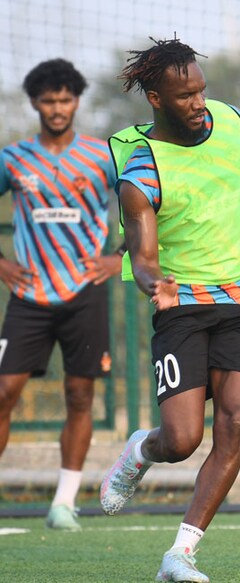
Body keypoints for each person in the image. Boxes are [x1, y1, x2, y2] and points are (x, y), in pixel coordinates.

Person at [98, 38, 240, 583]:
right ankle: (139, 451)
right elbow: (143, 259)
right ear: (155, 99)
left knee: (237, 418)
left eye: (201, 90)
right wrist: (157, 284)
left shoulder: (232, 121)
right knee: (180, 441)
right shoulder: (142, 174)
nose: (200, 103)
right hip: (182, 307)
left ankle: (180, 555)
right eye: (185, 96)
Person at [0, 59, 121, 532]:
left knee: (79, 395)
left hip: (84, 295)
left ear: (76, 101)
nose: (57, 108)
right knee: (4, 392)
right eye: (48, 100)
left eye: (65, 99)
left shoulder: (101, 157)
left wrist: (119, 258)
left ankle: (64, 503)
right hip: (29, 297)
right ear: (34, 103)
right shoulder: (13, 159)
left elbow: (147, 208)